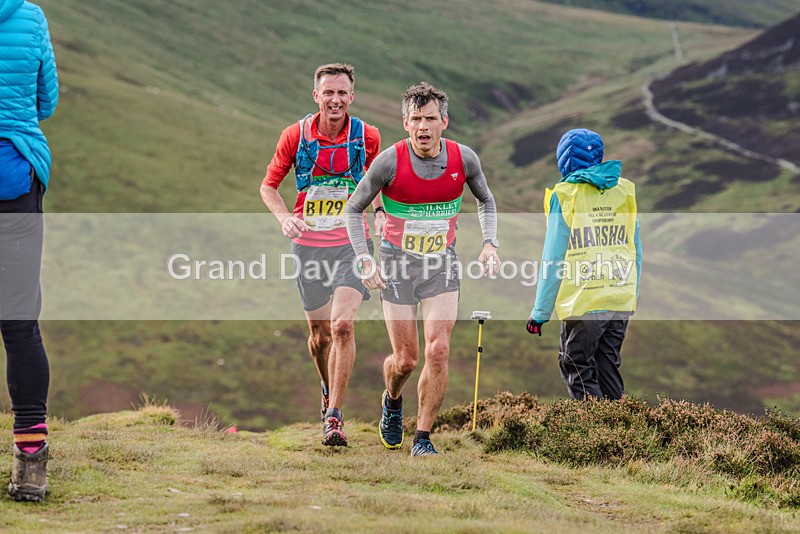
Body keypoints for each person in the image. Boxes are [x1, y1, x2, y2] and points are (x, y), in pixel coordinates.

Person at [346, 82, 500, 457]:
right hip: (396, 265)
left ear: (444, 121)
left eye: (430, 118)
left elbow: (486, 201)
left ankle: (423, 437)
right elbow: (353, 209)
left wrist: (489, 243)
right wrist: (364, 259)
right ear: (405, 122)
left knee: (439, 350)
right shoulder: (388, 162)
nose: (423, 126)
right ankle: (393, 401)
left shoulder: (463, 159)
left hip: (441, 264)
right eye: (416, 118)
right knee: (406, 360)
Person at [260, 63, 383, 447]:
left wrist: (379, 213)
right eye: (328, 92)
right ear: (316, 96)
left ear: (352, 96)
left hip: (353, 243)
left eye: (342, 92)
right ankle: (327, 389)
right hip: (309, 246)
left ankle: (334, 418)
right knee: (319, 335)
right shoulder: (295, 135)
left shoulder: (368, 137)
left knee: (342, 326)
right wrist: (284, 219)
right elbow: (268, 187)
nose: (335, 99)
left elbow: (375, 182)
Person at [526, 128, 642, 401]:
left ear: (563, 160)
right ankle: (620, 433)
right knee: (607, 366)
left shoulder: (564, 195)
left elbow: (553, 258)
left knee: (576, 364)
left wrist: (540, 313)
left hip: (584, 300)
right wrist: (631, 295)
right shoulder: (624, 190)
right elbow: (634, 248)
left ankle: (593, 436)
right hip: (620, 297)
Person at [0, 0, 58, 502]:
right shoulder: (29, 16)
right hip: (14, 176)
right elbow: (47, 101)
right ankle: (30, 464)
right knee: (19, 324)